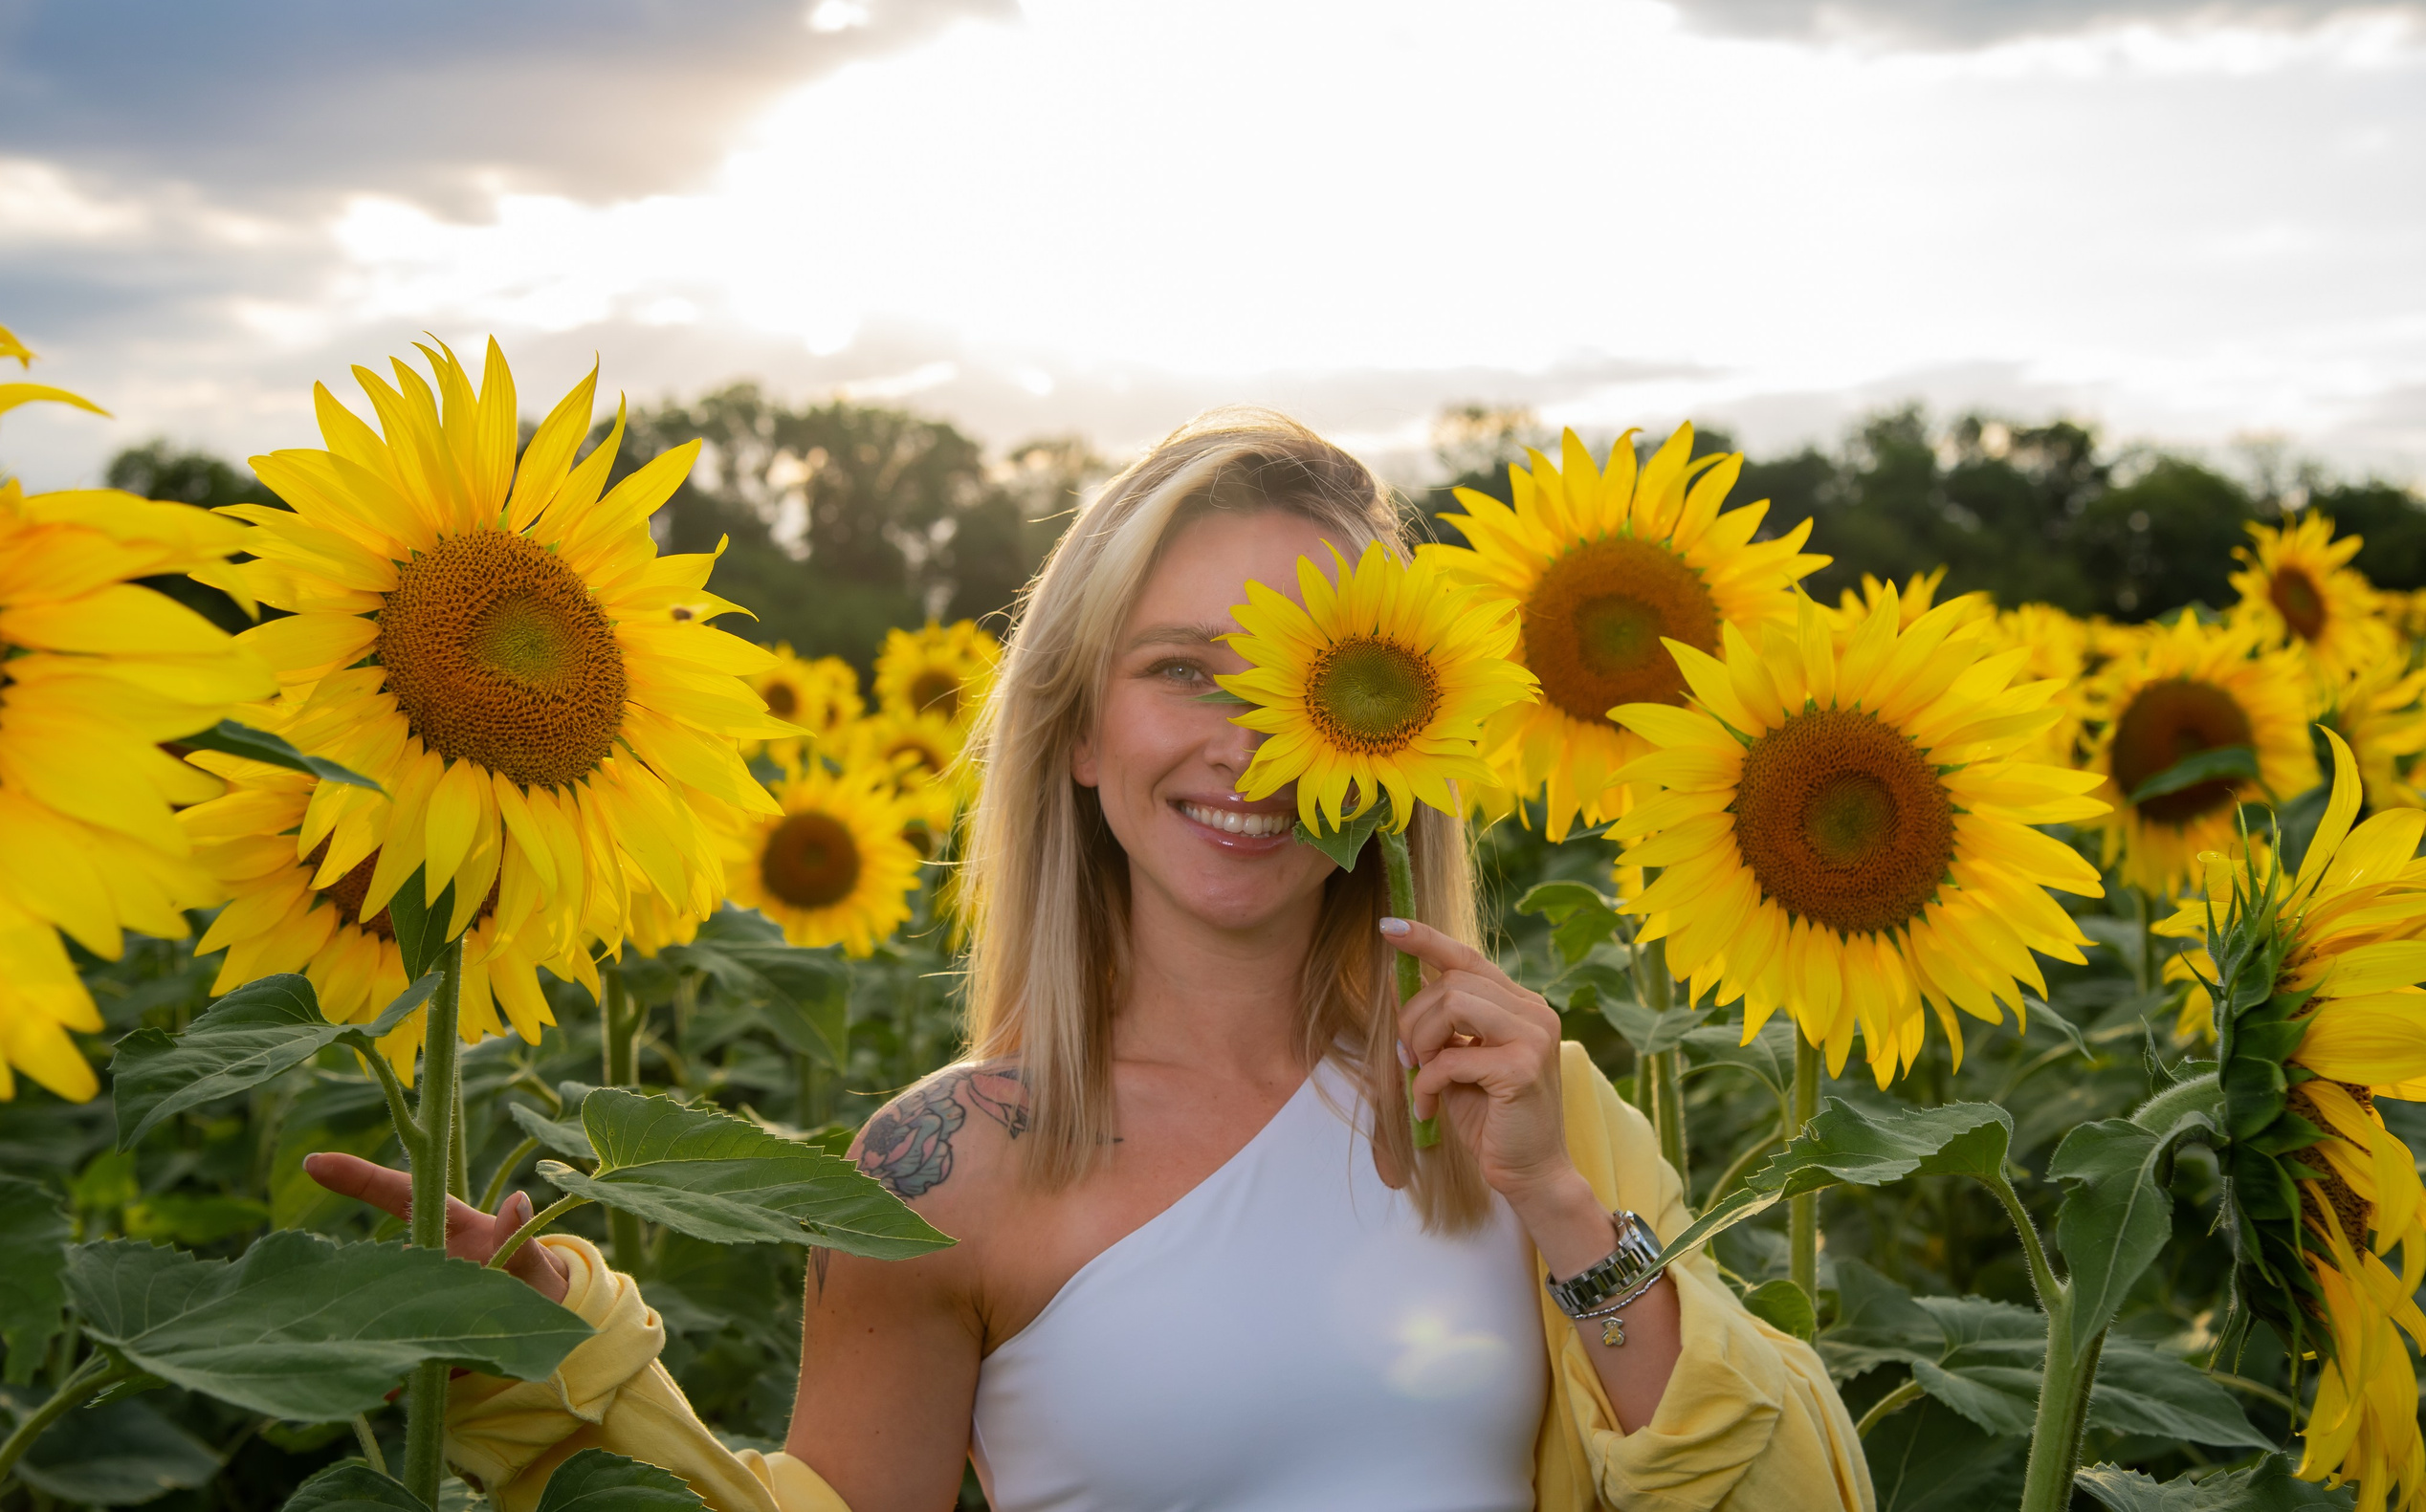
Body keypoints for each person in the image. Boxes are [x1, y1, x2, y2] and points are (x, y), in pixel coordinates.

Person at [310, 410, 1870, 1512]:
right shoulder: (946, 1167)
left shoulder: (1522, 1101)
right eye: (1187, 668)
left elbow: (1799, 1498)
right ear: (1074, 729)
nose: (1247, 743)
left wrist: (1563, 1209)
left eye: (1316, 675)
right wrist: (541, 1353)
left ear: (1396, 734)